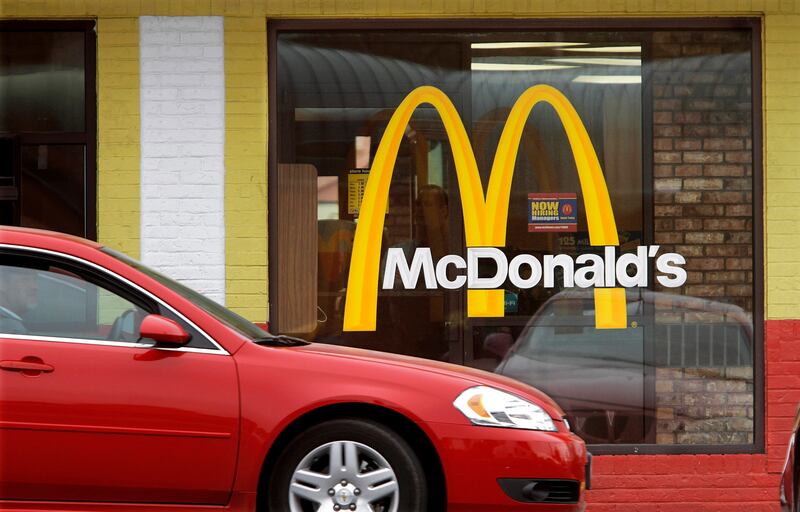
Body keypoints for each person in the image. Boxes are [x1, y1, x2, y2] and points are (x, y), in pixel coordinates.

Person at [0, 266, 38, 334]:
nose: (35, 286)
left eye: (34, 280)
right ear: (2, 284)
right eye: (25, 280)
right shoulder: (9, 327)